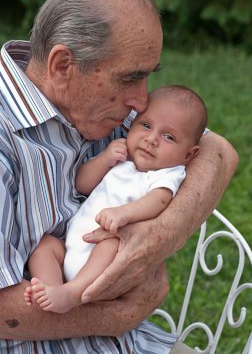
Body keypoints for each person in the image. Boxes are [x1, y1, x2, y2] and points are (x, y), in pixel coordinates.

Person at [0, 0, 238, 353]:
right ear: (63, 65)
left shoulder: (122, 118)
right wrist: (120, 313)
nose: (142, 102)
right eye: (132, 77)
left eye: (147, 77)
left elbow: (221, 153)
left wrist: (158, 237)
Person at [24, 85, 207, 314]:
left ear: (189, 154)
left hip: (104, 254)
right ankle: (52, 289)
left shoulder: (168, 173)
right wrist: (105, 160)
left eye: (168, 137)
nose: (151, 139)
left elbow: (159, 201)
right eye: (146, 126)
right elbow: (81, 184)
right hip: (74, 243)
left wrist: (125, 213)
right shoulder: (122, 157)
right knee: (45, 246)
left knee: (111, 244)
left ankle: (72, 292)